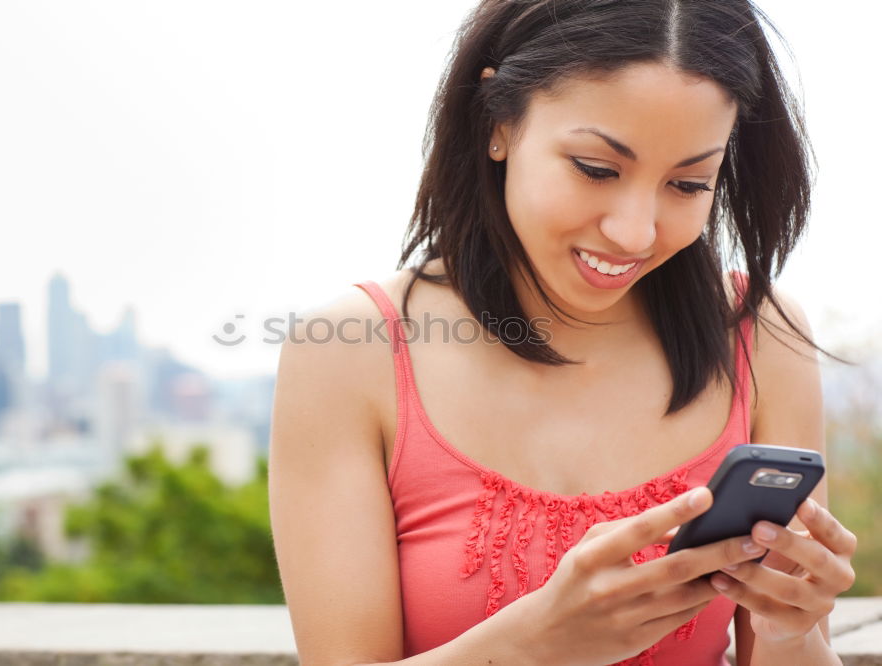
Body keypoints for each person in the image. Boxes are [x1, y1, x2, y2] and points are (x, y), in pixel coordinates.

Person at [268, 0, 858, 664]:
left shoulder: (758, 336)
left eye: (688, 184)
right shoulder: (355, 353)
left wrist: (792, 632)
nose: (634, 231)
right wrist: (535, 642)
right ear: (499, 123)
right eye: (596, 169)